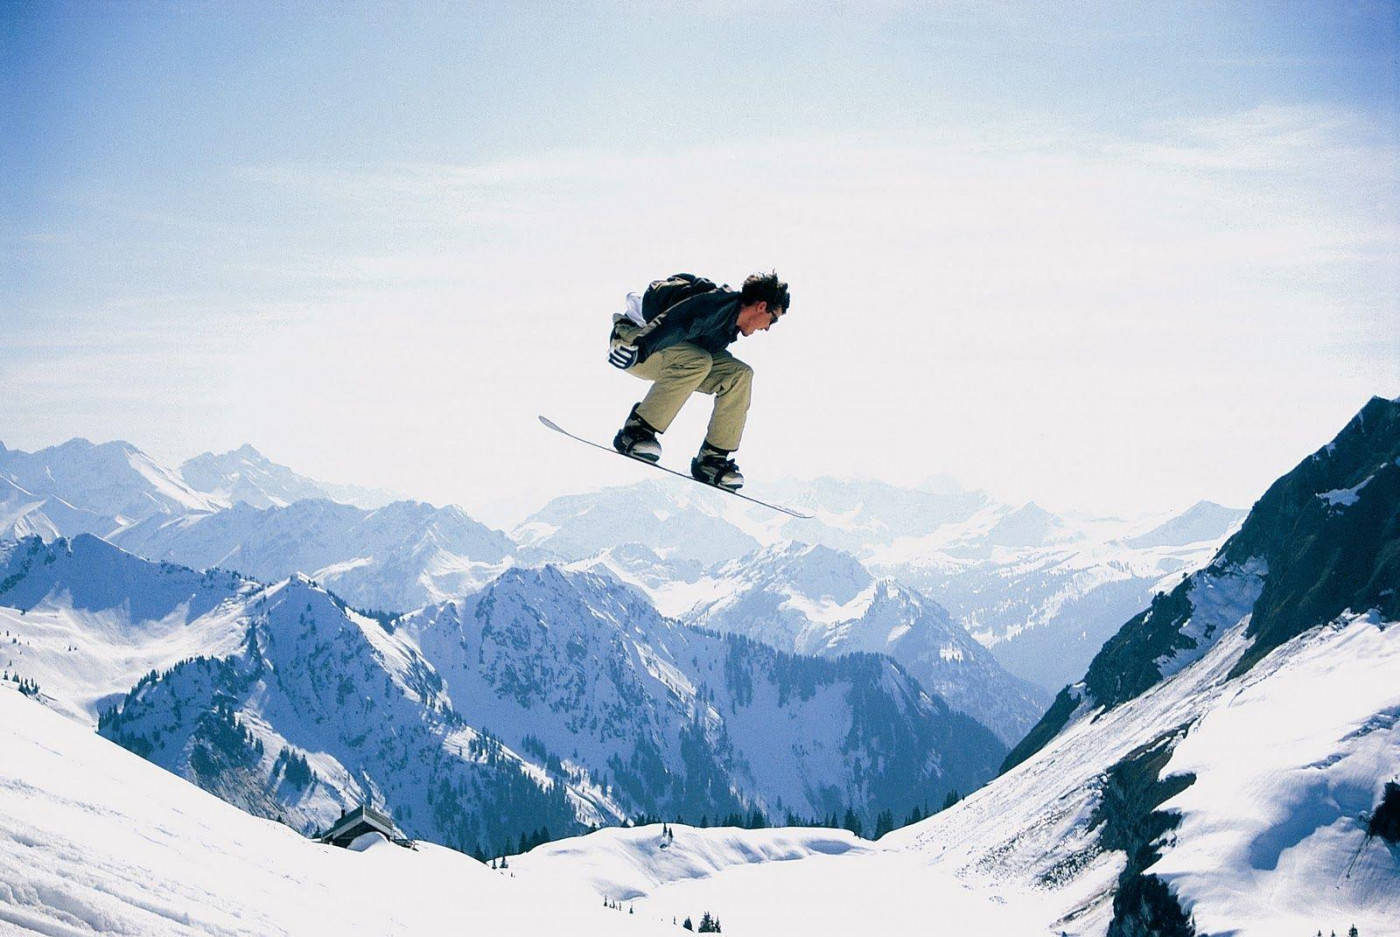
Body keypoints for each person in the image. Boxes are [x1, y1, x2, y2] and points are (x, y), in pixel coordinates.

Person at [606, 271, 790, 490]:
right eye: (773, 319)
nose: (768, 328)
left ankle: (712, 460)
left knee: (739, 375)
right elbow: (676, 322)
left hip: (670, 354)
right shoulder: (715, 305)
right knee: (699, 361)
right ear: (761, 306)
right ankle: (636, 432)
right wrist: (639, 347)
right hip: (633, 340)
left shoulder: (728, 325)